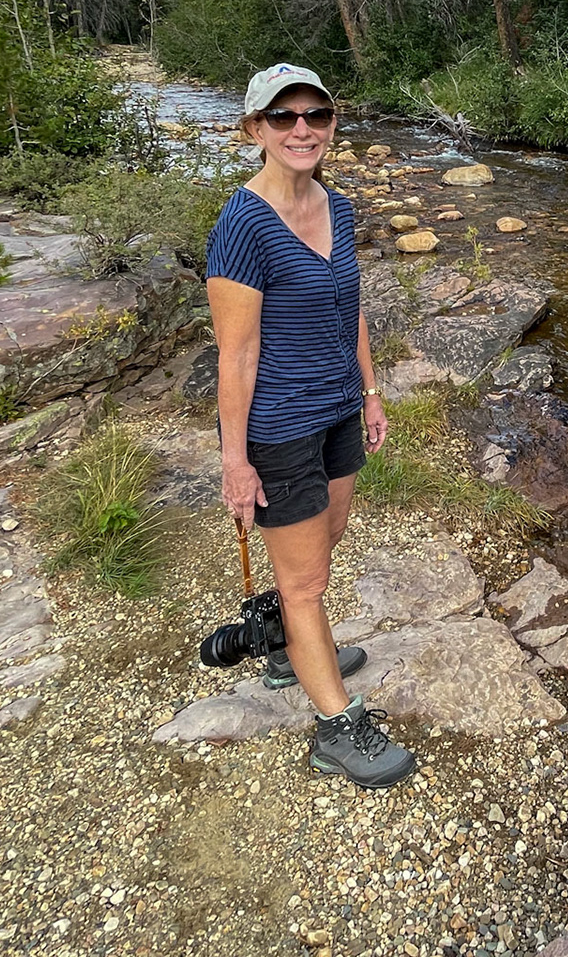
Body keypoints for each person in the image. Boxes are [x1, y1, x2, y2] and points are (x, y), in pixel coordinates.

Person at [205, 62, 416, 789]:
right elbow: (236, 353)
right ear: (254, 128)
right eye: (284, 117)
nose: (303, 130)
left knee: (324, 541)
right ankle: (335, 726)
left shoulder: (339, 207)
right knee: (308, 582)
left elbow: (349, 304)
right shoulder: (242, 226)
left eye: (316, 116)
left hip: (337, 410)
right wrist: (236, 460)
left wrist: (371, 390)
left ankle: (284, 642)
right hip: (281, 426)